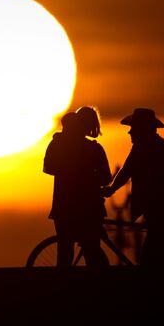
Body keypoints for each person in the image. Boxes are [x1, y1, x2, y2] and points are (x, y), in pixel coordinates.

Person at [100, 108, 164, 266]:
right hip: (161, 209)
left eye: (133, 129)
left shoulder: (147, 148)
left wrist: (111, 189)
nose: (130, 133)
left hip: (162, 210)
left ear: (142, 129)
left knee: (150, 257)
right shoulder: (153, 145)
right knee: (160, 255)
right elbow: (127, 171)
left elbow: (127, 171)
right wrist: (112, 188)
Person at [43, 107, 112, 268]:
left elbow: (49, 168)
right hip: (90, 207)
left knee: (65, 252)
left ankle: (65, 287)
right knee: (92, 250)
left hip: (64, 206)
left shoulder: (58, 144)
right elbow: (106, 178)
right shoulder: (94, 148)